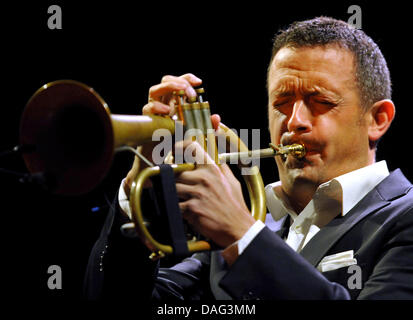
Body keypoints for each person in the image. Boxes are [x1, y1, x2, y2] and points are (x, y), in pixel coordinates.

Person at [84, 17, 413, 300]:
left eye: (320, 101)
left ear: (377, 119)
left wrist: (242, 234)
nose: (294, 120)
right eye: (282, 101)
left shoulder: (405, 218)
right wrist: (139, 186)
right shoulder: (259, 223)